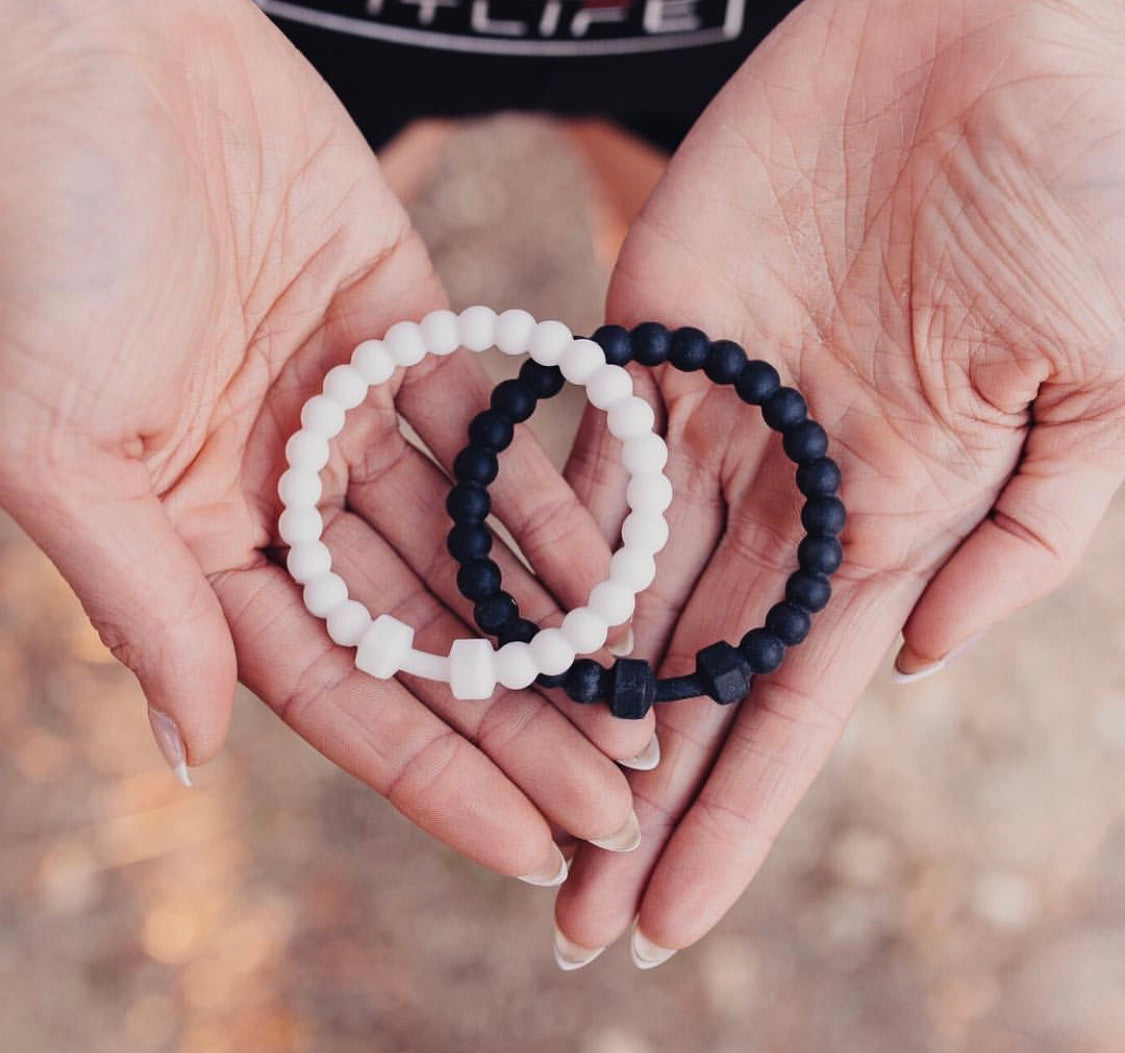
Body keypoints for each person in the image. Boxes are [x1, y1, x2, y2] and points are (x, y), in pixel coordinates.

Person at [1, 0, 1122, 972]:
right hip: (238, 35)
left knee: (709, 216)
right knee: (299, 216)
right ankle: (398, 161)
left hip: (824, 43)